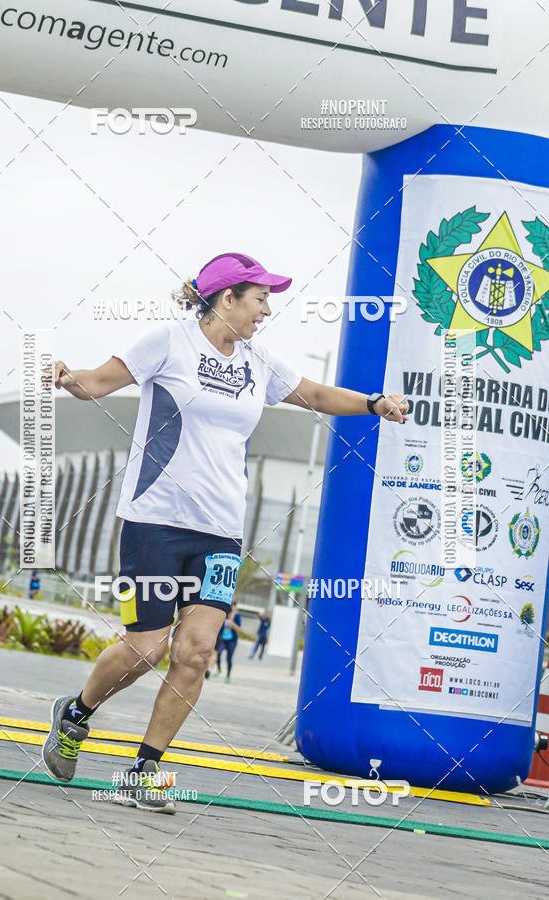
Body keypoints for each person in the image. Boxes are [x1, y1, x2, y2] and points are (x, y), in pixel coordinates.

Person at [41, 251, 409, 814]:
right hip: (155, 520)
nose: (267, 310)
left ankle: (145, 770)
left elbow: (313, 394)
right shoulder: (168, 341)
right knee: (146, 649)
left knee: (196, 652)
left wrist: (374, 403)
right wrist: (67, 378)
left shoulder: (257, 360)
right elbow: (98, 382)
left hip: (221, 533)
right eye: (260, 298)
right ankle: (76, 713)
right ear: (226, 298)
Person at [216, 601, 241, 683]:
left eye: (234, 606)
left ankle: (228, 676)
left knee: (229, 658)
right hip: (223, 639)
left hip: (232, 640)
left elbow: (238, 629)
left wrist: (232, 623)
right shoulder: (225, 614)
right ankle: (219, 669)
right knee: (218, 654)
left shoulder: (237, 616)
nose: (232, 607)